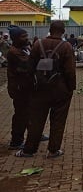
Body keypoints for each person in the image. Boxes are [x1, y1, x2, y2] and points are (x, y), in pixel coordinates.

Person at [16, 20, 76, 158]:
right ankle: (53, 150)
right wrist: (71, 88)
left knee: (36, 119)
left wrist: (31, 85)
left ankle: (29, 150)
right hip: (60, 89)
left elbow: (30, 67)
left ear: (49, 29)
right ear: (63, 31)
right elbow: (70, 71)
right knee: (58, 120)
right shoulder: (66, 46)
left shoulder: (38, 44)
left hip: (40, 89)